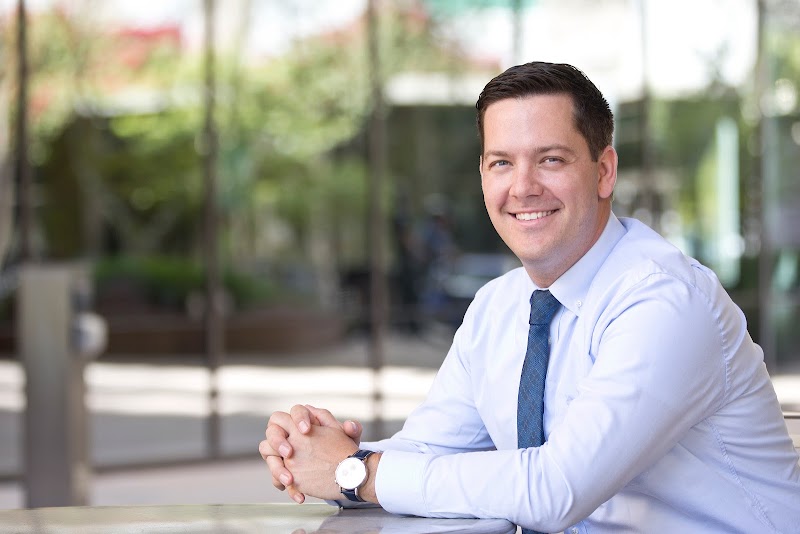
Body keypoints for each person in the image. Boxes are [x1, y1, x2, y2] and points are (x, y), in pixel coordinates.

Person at [260, 61, 800, 533]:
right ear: (482, 176)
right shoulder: (497, 308)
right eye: (502, 162)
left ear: (604, 171)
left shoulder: (665, 302)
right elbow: (428, 452)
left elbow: (555, 488)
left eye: (551, 160)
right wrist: (319, 454)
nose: (522, 187)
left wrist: (355, 472)